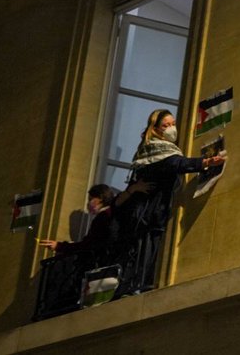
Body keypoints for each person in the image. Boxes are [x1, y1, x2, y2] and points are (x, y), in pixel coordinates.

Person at [116, 109, 225, 295]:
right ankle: (131, 288)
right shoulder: (156, 150)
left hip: (150, 214)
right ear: (156, 129)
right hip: (149, 215)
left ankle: (133, 286)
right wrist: (205, 162)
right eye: (166, 125)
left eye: (173, 123)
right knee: (145, 257)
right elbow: (174, 164)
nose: (171, 128)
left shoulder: (152, 151)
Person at [38, 185, 120, 262]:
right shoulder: (111, 213)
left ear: (100, 198)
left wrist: (59, 246)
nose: (88, 203)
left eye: (91, 199)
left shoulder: (102, 217)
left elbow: (86, 246)